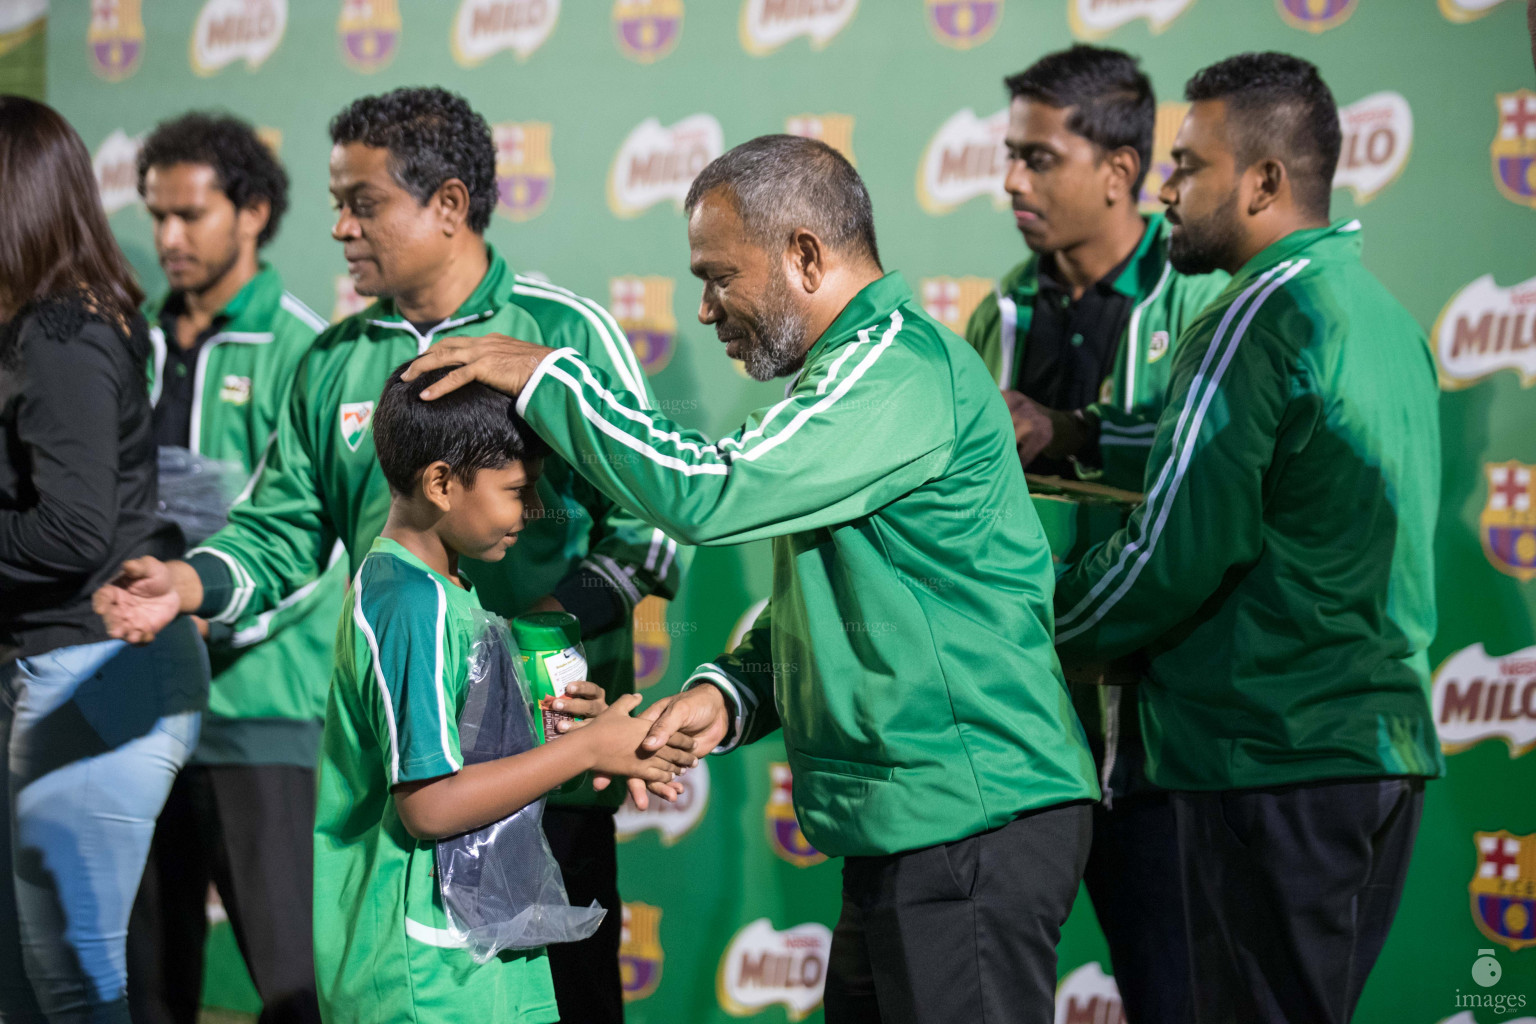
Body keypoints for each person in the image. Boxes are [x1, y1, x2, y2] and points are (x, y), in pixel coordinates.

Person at [405, 134, 1101, 1024]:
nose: (703, 309)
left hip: (970, 822)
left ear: (804, 255)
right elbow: (845, 603)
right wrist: (724, 694)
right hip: (918, 827)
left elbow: (707, 493)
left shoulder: (895, 369)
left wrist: (551, 378)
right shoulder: (844, 379)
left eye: (717, 275)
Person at [92, 86, 680, 1023]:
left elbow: (651, 532)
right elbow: (282, 527)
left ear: (448, 206)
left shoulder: (564, 340)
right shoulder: (332, 361)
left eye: (362, 203)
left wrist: (539, 635)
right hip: (401, 783)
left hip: (551, 765)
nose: (337, 228)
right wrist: (188, 582)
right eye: (338, 203)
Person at [1050, 52, 1442, 1024]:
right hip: (1374, 752)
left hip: (1271, 753)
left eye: (1187, 166)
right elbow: (1260, 468)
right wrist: (1080, 434)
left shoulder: (1256, 314)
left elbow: (1171, 550)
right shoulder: (1381, 314)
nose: (1165, 189)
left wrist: (1029, 630)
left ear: (1264, 181)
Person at [961, 46, 1227, 1024]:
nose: (1010, 182)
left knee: (1178, 990)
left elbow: (1218, 474)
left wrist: (1072, 436)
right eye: (1009, 156)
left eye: (1037, 159)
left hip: (1165, 746)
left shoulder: (1200, 290)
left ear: (1120, 170)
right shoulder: (1002, 306)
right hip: (1021, 733)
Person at [313, 362, 693, 1024]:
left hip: (467, 959)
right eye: (519, 490)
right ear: (440, 482)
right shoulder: (408, 606)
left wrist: (573, 736)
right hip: (423, 977)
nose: (533, 512)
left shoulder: (449, 588)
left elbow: (469, 758)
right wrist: (581, 754)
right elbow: (429, 806)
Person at [0, 96, 208, 1024]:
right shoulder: (56, 323)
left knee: (73, 990)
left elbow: (77, 531)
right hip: (67, 667)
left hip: (93, 666)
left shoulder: (62, 333)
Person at [126, 111, 335, 1024]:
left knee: (293, 976)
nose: (168, 239)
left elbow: (332, 535)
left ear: (251, 213)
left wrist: (221, 615)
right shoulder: (125, 339)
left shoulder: (308, 349)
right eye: (156, 216)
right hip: (129, 695)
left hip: (260, 703)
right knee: (143, 976)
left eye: (190, 215)